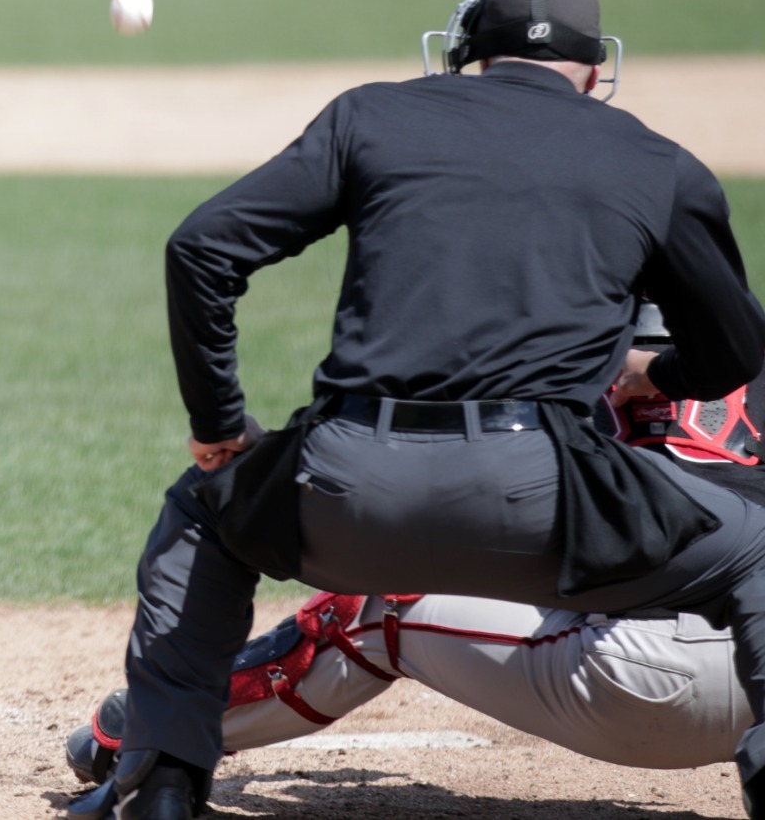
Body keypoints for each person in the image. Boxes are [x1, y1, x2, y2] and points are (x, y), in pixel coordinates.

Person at [94, 0, 765, 820]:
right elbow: (734, 349)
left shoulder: (372, 114)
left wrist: (221, 427)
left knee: (203, 515)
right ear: (596, 69)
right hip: (549, 504)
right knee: (756, 544)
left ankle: (161, 784)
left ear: (467, 55)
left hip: (345, 489)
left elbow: (202, 249)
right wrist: (654, 372)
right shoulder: (656, 159)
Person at [67, 304, 765, 800]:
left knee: (380, 599)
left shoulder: (564, 369)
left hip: (647, 682)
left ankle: (154, 728)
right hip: (758, 683)